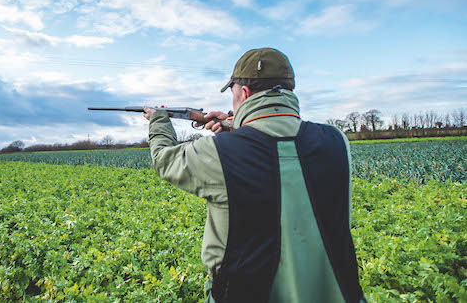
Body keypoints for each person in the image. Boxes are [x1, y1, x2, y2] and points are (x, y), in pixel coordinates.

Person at [143, 48, 365, 303]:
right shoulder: (336, 141)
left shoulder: (218, 152)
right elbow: (281, 145)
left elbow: (165, 159)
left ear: (245, 94)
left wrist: (158, 120)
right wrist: (236, 127)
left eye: (234, 95)